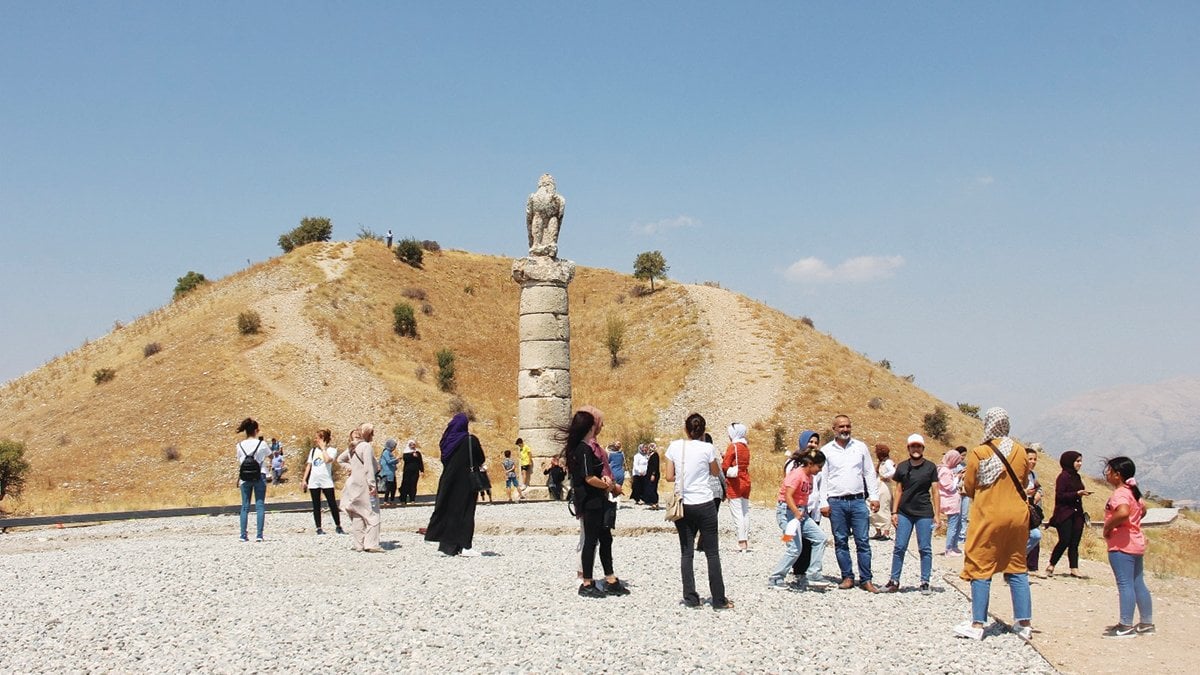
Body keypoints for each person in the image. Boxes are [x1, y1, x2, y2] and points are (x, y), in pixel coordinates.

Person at [954, 407, 1033, 641]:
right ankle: (1024, 623)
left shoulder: (980, 452)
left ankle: (977, 623)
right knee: (1017, 566)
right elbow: (1025, 479)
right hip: (1018, 516)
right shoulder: (1020, 450)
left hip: (989, 515)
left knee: (981, 564)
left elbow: (969, 486)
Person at [664, 413, 732, 609]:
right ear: (703, 430)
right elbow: (713, 471)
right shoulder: (708, 448)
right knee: (712, 554)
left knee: (686, 553)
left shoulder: (675, 446)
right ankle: (719, 599)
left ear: (686, 429)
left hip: (684, 503)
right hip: (704, 502)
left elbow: (669, 476)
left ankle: (691, 597)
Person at [565, 407, 628, 598]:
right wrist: (606, 486)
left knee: (605, 538)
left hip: (597, 499)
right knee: (591, 541)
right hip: (590, 499)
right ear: (590, 426)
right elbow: (588, 477)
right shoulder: (583, 449)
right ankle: (587, 582)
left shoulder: (583, 448)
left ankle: (610, 578)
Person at [819, 415, 881, 593]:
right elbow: (823, 478)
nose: (845, 430)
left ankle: (866, 579)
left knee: (863, 541)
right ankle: (847, 576)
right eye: (841, 427)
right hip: (836, 501)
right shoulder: (826, 450)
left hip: (858, 501)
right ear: (834, 429)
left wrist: (874, 496)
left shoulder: (860, 447)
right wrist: (823, 502)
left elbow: (869, 472)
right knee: (840, 540)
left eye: (847, 426)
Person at [1101, 456, 1154, 638]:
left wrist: (1108, 526)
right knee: (1138, 583)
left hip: (1122, 543)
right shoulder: (1133, 491)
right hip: (1136, 541)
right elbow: (1143, 510)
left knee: (1125, 585)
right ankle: (1146, 622)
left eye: (1109, 471)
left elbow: (1123, 512)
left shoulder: (1121, 493)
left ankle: (1125, 625)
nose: (1106, 474)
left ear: (1118, 475)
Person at [884, 434, 941, 595]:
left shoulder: (930, 467)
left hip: (924, 512)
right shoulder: (902, 467)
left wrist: (937, 514)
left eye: (919, 446)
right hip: (904, 512)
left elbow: (935, 492)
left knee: (925, 548)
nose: (916, 449)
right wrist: (894, 512)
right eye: (913, 446)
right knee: (900, 546)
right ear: (908, 448)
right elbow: (899, 490)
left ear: (923, 448)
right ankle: (894, 580)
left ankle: (925, 581)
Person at [767, 450, 829, 590]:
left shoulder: (810, 477)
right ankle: (776, 578)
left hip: (801, 513)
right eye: (819, 467)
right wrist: (795, 512)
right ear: (810, 464)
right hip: (788, 513)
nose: (820, 470)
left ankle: (813, 574)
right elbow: (788, 496)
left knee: (820, 538)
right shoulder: (797, 475)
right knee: (795, 548)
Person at [425, 413, 484, 556]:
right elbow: (480, 458)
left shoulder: (446, 441)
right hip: (466, 482)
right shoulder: (470, 440)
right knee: (465, 512)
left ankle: (447, 547)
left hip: (448, 481)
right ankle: (464, 546)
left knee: (449, 511)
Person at [337, 424, 382, 552]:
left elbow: (340, 460)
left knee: (357, 513)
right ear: (367, 434)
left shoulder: (353, 447)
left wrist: (350, 468)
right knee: (372, 514)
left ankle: (359, 544)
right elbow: (368, 468)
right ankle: (372, 544)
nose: (373, 436)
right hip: (364, 484)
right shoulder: (366, 447)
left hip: (353, 483)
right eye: (372, 433)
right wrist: (372, 485)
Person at [1046, 450, 1090, 578]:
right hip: (1064, 513)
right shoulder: (1063, 476)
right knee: (1064, 540)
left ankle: (1074, 568)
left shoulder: (1077, 476)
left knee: (1074, 542)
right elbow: (1060, 495)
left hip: (1077, 513)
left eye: (1080, 461)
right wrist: (1076, 494)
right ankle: (1051, 564)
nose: (1079, 464)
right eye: (1077, 461)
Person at [789, 430, 823, 578]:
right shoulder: (793, 464)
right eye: (810, 442)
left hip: (813, 506)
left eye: (816, 442)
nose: (813, 445)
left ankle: (808, 570)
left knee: (812, 539)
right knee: (794, 540)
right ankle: (794, 570)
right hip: (797, 507)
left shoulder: (819, 463)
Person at [301, 429, 344, 535]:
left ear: (323, 439)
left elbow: (327, 460)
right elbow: (309, 465)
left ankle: (338, 526)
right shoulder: (313, 451)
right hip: (314, 481)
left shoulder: (332, 450)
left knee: (332, 503)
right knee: (316, 505)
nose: (316, 440)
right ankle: (318, 527)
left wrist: (323, 448)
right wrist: (304, 480)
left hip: (326, 480)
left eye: (318, 438)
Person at [235, 418, 269, 542]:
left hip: (245, 477)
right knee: (260, 505)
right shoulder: (262, 444)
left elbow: (240, 461)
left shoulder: (239, 445)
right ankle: (259, 535)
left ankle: (243, 535)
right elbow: (270, 455)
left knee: (245, 506)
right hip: (260, 475)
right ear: (256, 430)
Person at [723, 422, 752, 553]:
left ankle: (741, 542)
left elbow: (725, 465)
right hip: (745, 479)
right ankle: (745, 540)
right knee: (745, 512)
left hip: (735, 482)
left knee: (737, 513)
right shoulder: (745, 446)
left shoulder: (733, 446)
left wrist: (724, 460)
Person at [937, 448, 964, 556]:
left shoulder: (943, 469)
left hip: (948, 501)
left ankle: (952, 547)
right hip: (950, 502)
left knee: (953, 525)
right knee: (953, 526)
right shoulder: (945, 471)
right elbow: (950, 487)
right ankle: (949, 549)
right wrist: (957, 478)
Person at [1025, 447, 1044, 573]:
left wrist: (1039, 493)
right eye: (1030, 459)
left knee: (1035, 535)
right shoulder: (1017, 474)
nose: (1033, 462)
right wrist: (1025, 492)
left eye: (1035, 459)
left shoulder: (1033, 474)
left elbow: (1039, 487)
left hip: (1031, 507)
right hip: (1020, 507)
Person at [871, 444, 895, 540]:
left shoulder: (888, 462)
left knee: (884, 508)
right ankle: (878, 531)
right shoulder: (881, 462)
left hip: (884, 488)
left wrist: (885, 476)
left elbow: (893, 471)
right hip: (878, 487)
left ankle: (886, 532)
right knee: (875, 508)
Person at [399, 439, 424, 504]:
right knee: (405, 484)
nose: (413, 446)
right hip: (407, 471)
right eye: (411, 444)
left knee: (413, 485)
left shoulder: (417, 453)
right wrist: (412, 455)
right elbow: (406, 459)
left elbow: (420, 462)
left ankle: (412, 499)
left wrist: (422, 470)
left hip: (415, 471)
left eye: (414, 444)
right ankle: (403, 499)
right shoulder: (406, 453)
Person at [380, 439, 399, 505]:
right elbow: (389, 461)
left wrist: (396, 461)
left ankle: (392, 500)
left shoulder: (389, 453)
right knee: (388, 487)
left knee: (393, 487)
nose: (394, 448)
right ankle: (385, 501)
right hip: (388, 473)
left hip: (392, 472)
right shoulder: (386, 452)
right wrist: (397, 459)